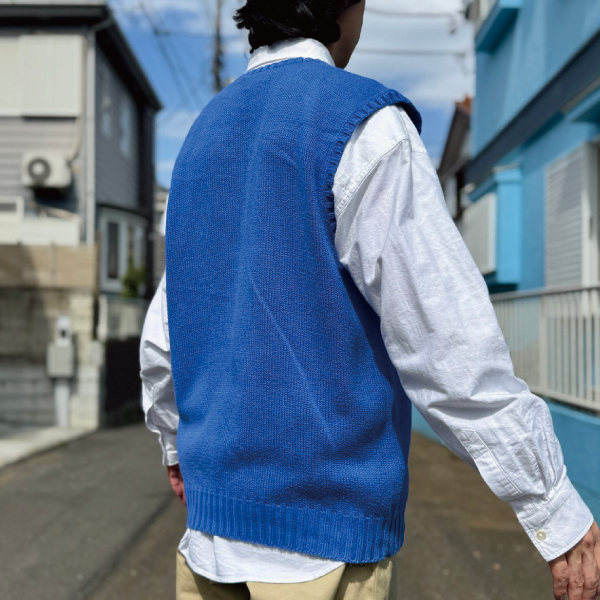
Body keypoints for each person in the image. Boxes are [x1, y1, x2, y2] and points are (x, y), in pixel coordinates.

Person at [140, 1, 600, 599]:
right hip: (324, 546)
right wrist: (552, 507)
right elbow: (446, 344)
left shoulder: (200, 141)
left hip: (209, 542)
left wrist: (174, 444)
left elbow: (165, 334)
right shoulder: (360, 124)